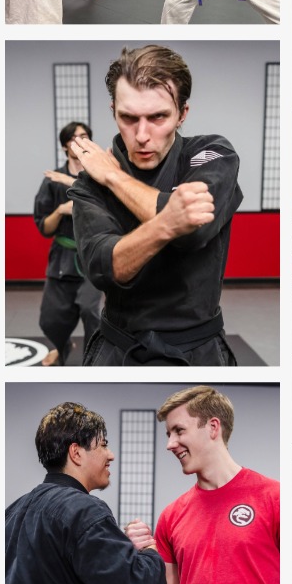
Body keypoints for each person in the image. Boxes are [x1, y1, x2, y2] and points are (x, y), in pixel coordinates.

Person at [68, 45, 243, 366]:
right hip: (118, 348)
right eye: (129, 118)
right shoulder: (90, 182)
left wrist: (114, 179)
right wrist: (166, 223)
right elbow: (104, 268)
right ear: (114, 112)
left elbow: (195, 232)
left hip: (198, 347)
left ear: (182, 114)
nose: (142, 134)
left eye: (158, 116)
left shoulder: (212, 153)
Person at [5, 402, 168, 584]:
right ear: (76, 452)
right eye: (103, 445)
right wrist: (148, 552)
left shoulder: (16, 507)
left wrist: (120, 552)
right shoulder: (85, 510)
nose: (111, 454)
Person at [125, 387, 280, 584]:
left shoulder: (273, 497)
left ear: (212, 427)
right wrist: (146, 556)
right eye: (168, 434)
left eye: (178, 431)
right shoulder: (172, 515)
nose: (170, 444)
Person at [33, 122, 104, 367]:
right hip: (63, 256)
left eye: (85, 137)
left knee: (89, 309)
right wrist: (61, 210)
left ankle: (92, 361)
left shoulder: (101, 177)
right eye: (74, 138)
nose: (80, 142)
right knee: (51, 319)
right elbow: (44, 227)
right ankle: (62, 347)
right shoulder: (53, 181)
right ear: (65, 145)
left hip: (94, 255)